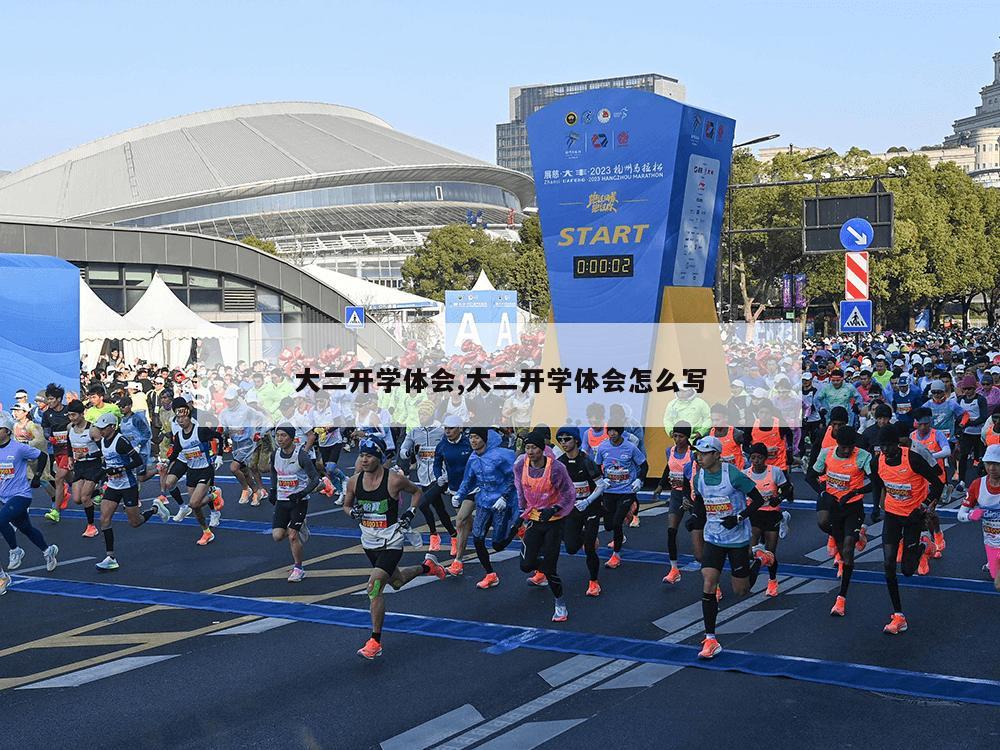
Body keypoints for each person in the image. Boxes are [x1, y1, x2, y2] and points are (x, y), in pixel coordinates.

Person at [343, 437, 445, 659]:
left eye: (369, 455)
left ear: (379, 457)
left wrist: (410, 512)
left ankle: (375, 642)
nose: (364, 459)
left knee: (374, 586)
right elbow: (346, 504)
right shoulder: (353, 481)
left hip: (392, 540)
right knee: (396, 582)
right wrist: (352, 513)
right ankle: (428, 567)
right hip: (369, 541)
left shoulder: (394, 480)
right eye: (362, 455)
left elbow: (417, 491)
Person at [690, 436, 770, 659]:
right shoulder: (699, 477)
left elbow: (758, 500)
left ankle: (760, 560)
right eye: (699, 453)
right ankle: (711, 639)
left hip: (737, 538)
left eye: (705, 453)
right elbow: (700, 501)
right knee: (708, 582)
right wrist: (696, 516)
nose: (700, 457)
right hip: (713, 536)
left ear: (716, 454)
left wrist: (739, 517)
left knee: (740, 591)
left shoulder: (732, 474)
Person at [873, 424, 944, 634]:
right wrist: (877, 508)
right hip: (893, 515)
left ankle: (924, 546)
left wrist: (924, 507)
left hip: (913, 516)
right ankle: (898, 616)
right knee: (888, 563)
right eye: (882, 446)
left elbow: (938, 483)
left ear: (898, 443)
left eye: (889, 446)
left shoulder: (912, 458)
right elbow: (879, 484)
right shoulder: (879, 460)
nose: (885, 450)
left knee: (907, 571)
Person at [92, 412, 170, 571]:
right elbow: (106, 463)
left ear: (112, 427)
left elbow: (137, 461)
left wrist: (120, 468)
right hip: (113, 486)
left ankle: (155, 509)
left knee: (135, 523)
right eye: (99, 428)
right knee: (104, 519)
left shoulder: (121, 442)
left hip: (128, 486)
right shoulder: (102, 442)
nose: (101, 431)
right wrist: (99, 479)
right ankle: (110, 557)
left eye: (103, 428)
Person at [513, 429, 576, 622]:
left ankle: (560, 604)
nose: (530, 451)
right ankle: (546, 567)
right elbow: (520, 489)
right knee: (526, 565)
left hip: (553, 522)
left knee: (550, 568)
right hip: (533, 518)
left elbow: (569, 493)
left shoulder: (556, 468)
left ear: (542, 449)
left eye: (534, 447)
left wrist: (555, 508)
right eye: (527, 447)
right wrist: (521, 513)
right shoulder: (520, 466)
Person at [811, 426, 872, 615]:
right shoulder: (826, 454)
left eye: (850, 447)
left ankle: (841, 598)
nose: (847, 451)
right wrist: (823, 492)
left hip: (853, 507)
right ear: (837, 443)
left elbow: (876, 481)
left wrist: (856, 492)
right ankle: (857, 536)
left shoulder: (863, 456)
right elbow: (813, 475)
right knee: (834, 536)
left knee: (847, 551)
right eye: (844, 447)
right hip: (834, 508)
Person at [452, 427, 517, 589]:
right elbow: (468, 480)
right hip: (483, 502)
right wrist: (459, 495)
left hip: (501, 503)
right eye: (471, 437)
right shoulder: (473, 458)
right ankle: (490, 574)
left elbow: (513, 476)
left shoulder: (499, 456)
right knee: (478, 538)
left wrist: (504, 497)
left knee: (498, 544)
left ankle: (517, 527)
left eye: (477, 437)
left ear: (485, 439)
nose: (473, 441)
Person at [0, 412, 59, 579]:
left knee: (1, 520)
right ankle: (48, 551)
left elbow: (42, 456)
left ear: (7, 431)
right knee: (26, 528)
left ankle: (15, 550)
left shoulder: (18, 448)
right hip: (4, 497)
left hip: (21, 495)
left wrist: (38, 476)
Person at [555, 425, 607, 596]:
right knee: (570, 548)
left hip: (590, 507)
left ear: (576, 440)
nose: (564, 443)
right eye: (560, 440)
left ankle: (594, 582)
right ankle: (585, 536)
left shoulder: (586, 461)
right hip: (572, 509)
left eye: (567, 439)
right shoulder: (560, 463)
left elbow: (600, 485)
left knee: (590, 547)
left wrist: (587, 501)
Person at [163, 398, 223, 544]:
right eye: (179, 418)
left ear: (189, 417)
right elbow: (176, 452)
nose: (181, 420)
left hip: (205, 470)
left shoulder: (200, 430)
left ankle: (214, 495)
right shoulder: (179, 436)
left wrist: (219, 456)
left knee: (195, 503)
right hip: (191, 471)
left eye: (184, 417)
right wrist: (167, 463)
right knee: (195, 507)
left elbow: (219, 437)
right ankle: (206, 532)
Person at [399, 402, 457, 552]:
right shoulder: (414, 432)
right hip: (423, 475)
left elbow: (452, 445)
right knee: (439, 508)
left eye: (424, 414)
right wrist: (411, 450)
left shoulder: (441, 430)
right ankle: (454, 535)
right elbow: (403, 452)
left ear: (431, 414)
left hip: (440, 475)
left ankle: (433, 534)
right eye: (420, 414)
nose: (421, 417)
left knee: (423, 504)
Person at [270, 423, 321, 581]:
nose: (280, 439)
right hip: (282, 499)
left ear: (292, 438)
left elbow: (315, 479)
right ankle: (300, 527)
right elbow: (273, 472)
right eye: (278, 435)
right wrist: (273, 489)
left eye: (283, 435)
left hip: (299, 500)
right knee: (277, 536)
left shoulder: (301, 455)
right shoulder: (275, 454)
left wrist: (302, 493)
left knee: (292, 536)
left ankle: (298, 568)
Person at [594, 425, 647, 569]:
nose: (612, 434)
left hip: (626, 490)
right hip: (610, 490)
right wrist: (601, 480)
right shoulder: (603, 447)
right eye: (609, 431)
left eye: (615, 431)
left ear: (620, 432)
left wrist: (639, 480)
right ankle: (627, 515)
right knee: (609, 525)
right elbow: (597, 466)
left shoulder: (630, 447)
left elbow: (644, 465)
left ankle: (616, 556)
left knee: (617, 523)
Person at [745, 441, 794, 597]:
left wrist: (778, 498)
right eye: (753, 458)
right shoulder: (745, 474)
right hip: (754, 513)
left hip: (771, 513)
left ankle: (772, 581)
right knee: (750, 552)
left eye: (759, 457)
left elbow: (787, 488)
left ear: (765, 458)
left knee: (770, 554)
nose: (756, 461)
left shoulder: (775, 472)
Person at [653, 423, 697, 584]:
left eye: (681, 436)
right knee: (671, 531)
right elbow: (669, 467)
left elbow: (692, 475)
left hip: (692, 496)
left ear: (688, 437)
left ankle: (712, 575)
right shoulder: (669, 451)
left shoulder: (693, 454)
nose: (677, 440)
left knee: (698, 535)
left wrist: (689, 496)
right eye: (675, 436)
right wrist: (659, 485)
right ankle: (674, 569)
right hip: (676, 494)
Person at [434, 416, 475, 576]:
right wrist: (439, 476)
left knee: (460, 521)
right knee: (466, 524)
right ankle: (475, 532)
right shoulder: (442, 445)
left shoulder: (469, 443)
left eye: (451, 428)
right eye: (446, 428)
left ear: (459, 428)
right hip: (454, 489)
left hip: (472, 488)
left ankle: (458, 561)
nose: (447, 431)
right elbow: (437, 463)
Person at [957, 443, 1000, 592]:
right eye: (989, 463)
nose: (992, 468)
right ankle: (992, 563)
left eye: (996, 464)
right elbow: (960, 515)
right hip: (990, 540)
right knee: (996, 577)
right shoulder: (977, 485)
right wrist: (971, 515)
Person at [909, 407, 951, 557]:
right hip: (919, 481)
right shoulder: (912, 436)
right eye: (920, 424)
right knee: (924, 513)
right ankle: (932, 541)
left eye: (926, 424)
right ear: (916, 423)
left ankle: (936, 536)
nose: (923, 427)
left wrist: (929, 456)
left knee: (929, 512)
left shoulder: (937, 434)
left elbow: (947, 451)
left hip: (936, 479)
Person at [41, 383, 72, 522]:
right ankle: (96, 491)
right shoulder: (47, 414)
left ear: (59, 399)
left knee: (59, 478)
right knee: (70, 479)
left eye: (52, 399)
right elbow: (46, 432)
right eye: (47, 399)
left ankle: (56, 511)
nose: (49, 401)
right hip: (57, 450)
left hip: (70, 450)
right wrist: (50, 438)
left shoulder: (68, 410)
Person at [955, 375, 988, 496]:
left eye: (970, 388)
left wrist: (971, 423)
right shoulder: (960, 400)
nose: (967, 391)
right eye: (965, 389)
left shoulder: (980, 399)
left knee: (981, 458)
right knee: (963, 456)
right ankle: (962, 481)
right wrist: (959, 427)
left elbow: (984, 416)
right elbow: (957, 416)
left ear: (975, 388)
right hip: (966, 434)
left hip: (979, 434)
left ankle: (982, 482)